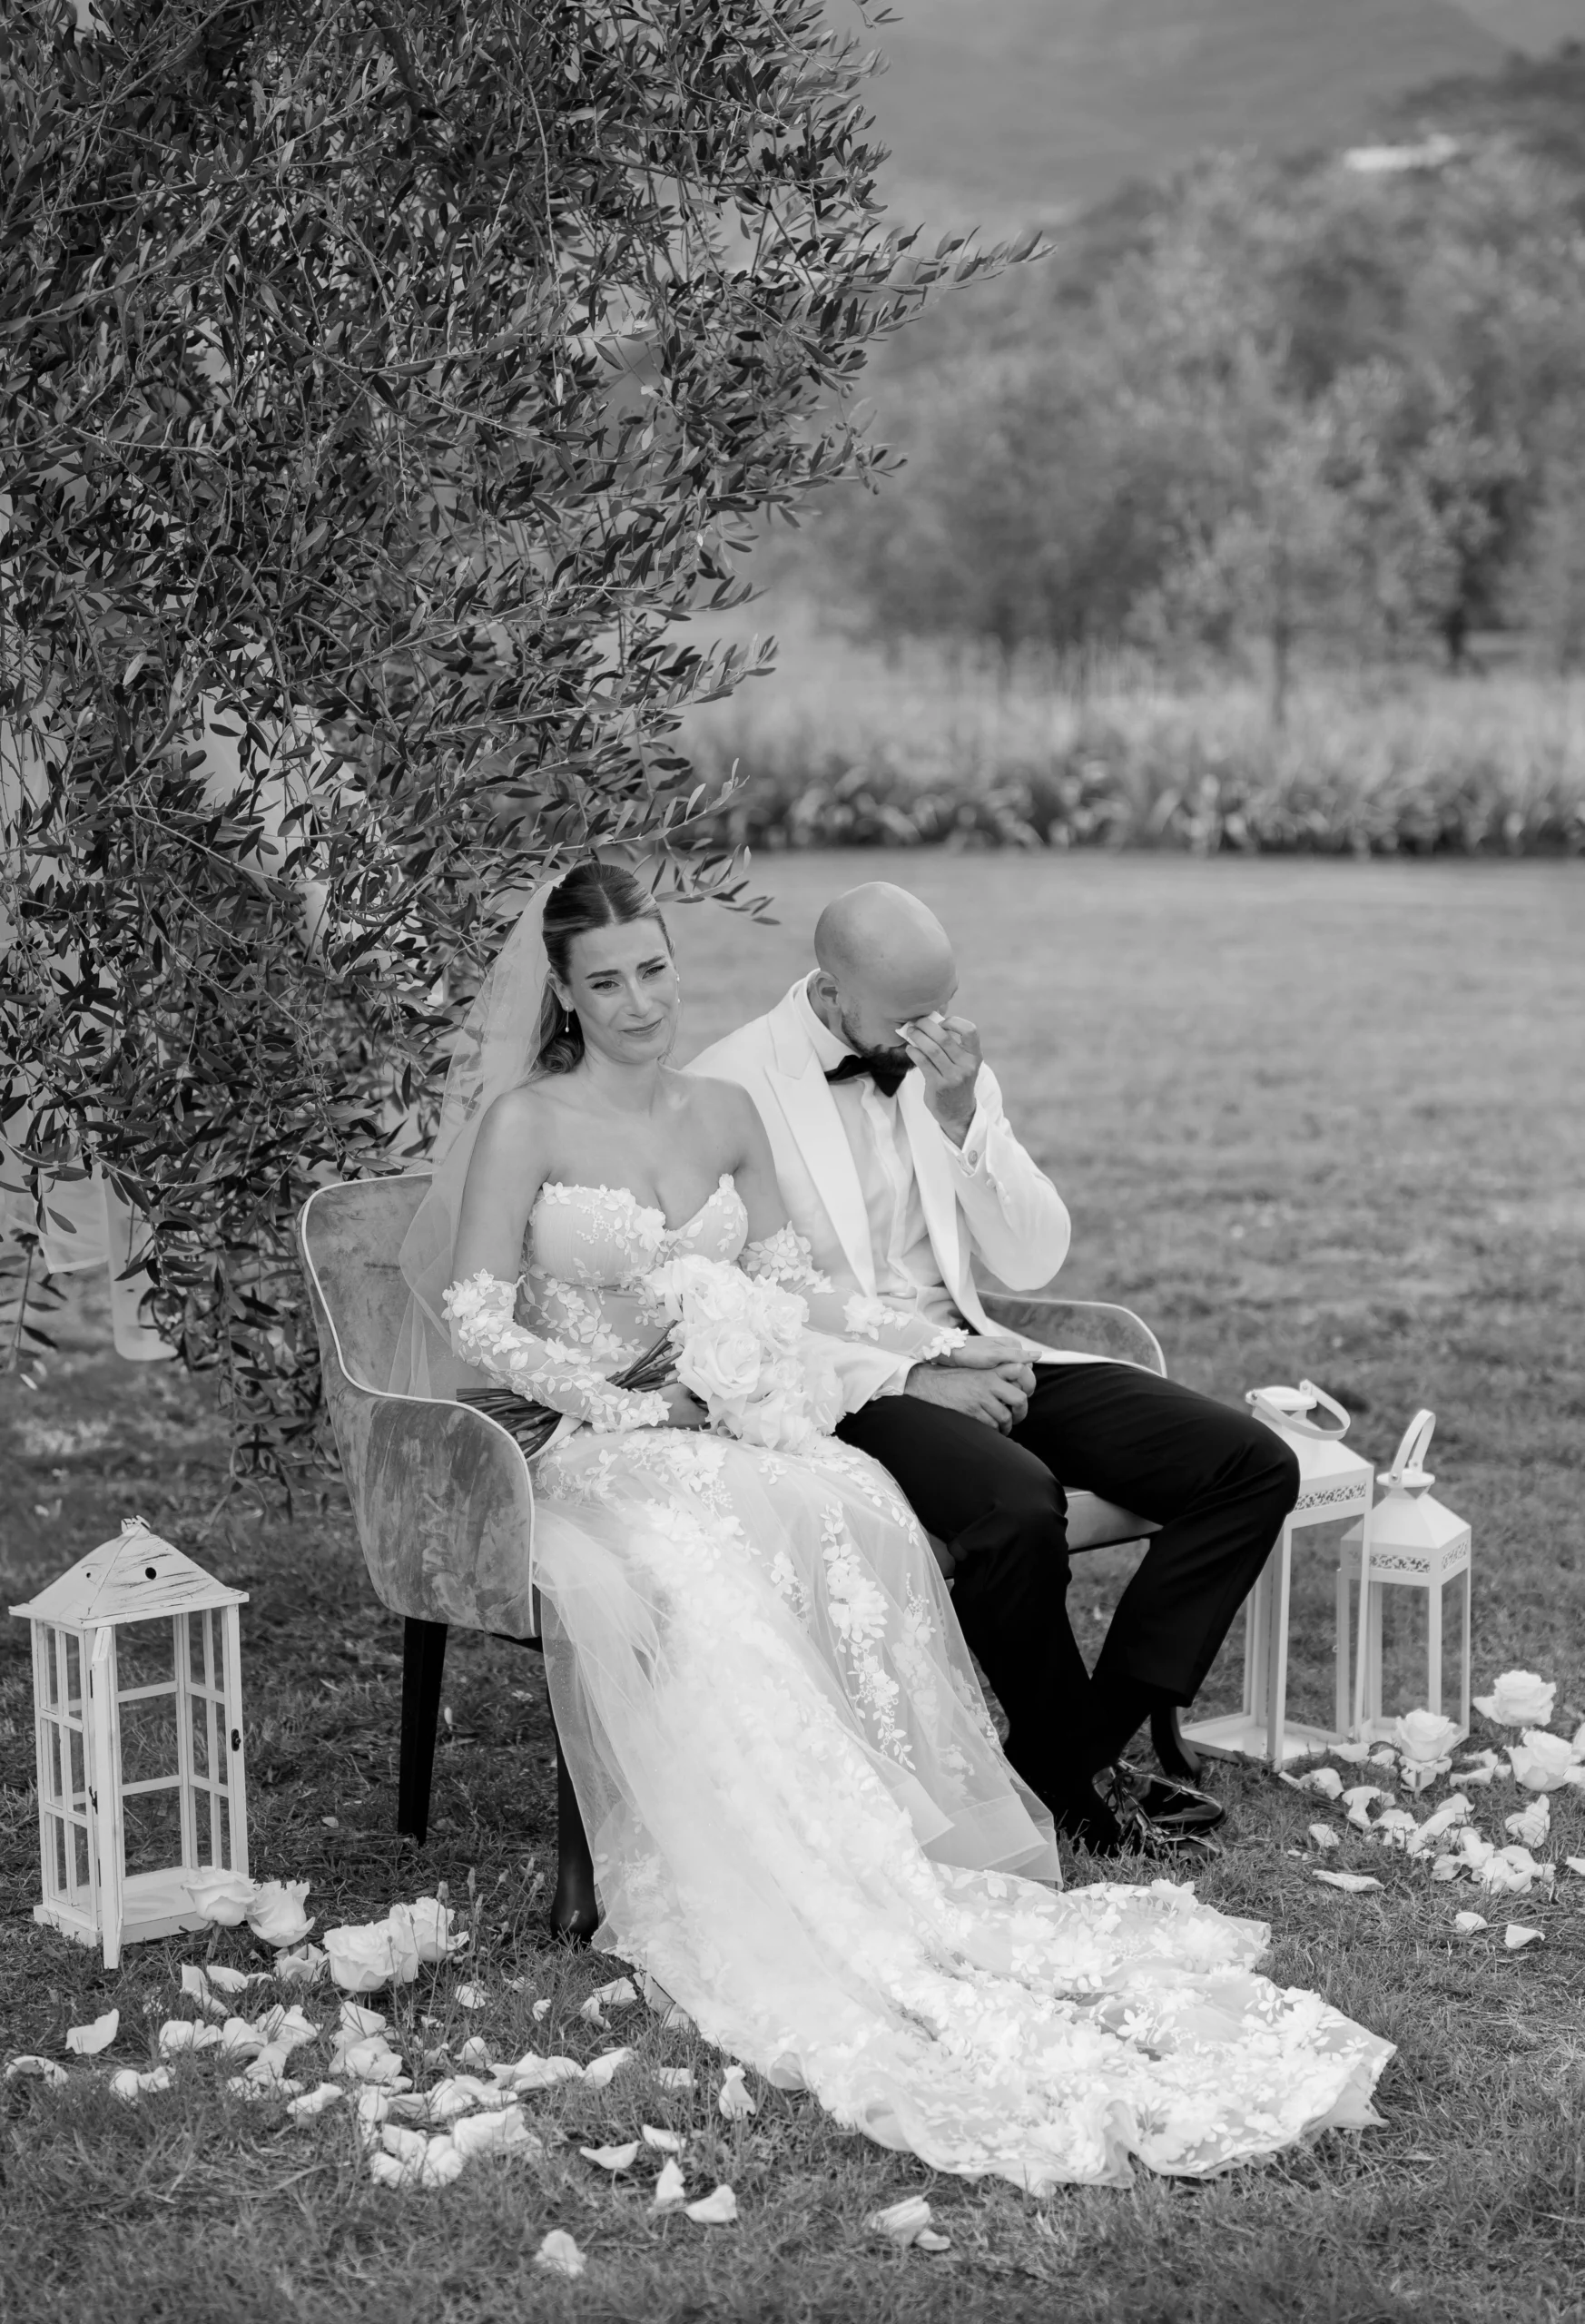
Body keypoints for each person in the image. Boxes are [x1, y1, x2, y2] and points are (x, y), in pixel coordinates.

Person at [390, 862, 1389, 2191]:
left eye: (654, 970)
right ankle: (821, 1843)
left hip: (857, 1383)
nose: (639, 1002)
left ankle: (1007, 1780)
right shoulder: (611, 1105)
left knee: (1041, 1485)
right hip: (707, 1421)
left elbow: (886, 1278)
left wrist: (940, 1190)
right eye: (608, 982)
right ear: (566, 998)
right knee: (843, 1529)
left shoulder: (766, 1100)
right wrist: (643, 1398)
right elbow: (487, 1313)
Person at [690, 881, 1303, 1855]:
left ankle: (1063, 1757)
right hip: (859, 1383)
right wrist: (922, 1373)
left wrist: (967, 1111)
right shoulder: (728, 1085)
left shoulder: (945, 1067)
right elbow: (746, 1303)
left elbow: (1032, 1258)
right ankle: (1079, 1779)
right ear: (832, 990)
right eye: (907, 1016)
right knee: (1017, 1507)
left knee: (1251, 1465)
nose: (935, 1031)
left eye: (944, 1005)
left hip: (983, 1343)